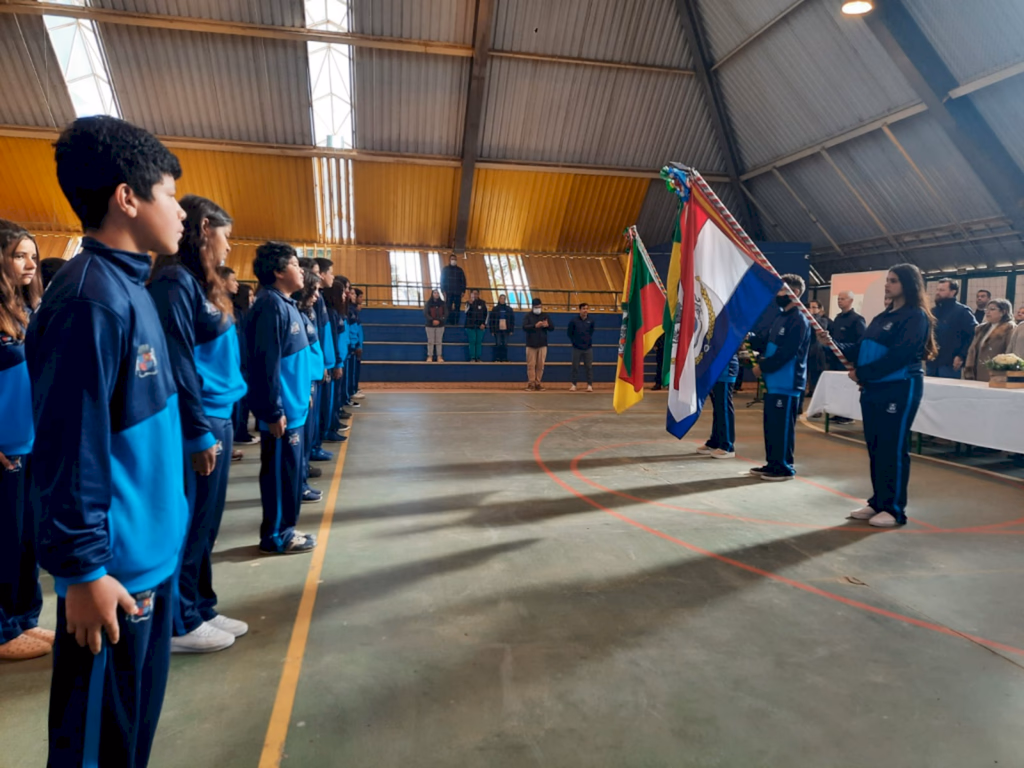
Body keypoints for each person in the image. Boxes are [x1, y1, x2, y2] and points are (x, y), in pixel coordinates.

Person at [28, 115, 188, 767]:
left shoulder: (130, 286)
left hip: (150, 564)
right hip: (114, 580)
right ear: (128, 197)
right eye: (170, 195)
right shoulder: (89, 300)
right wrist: (85, 570)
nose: (180, 212)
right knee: (96, 745)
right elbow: (71, 449)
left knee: (130, 740)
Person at [148, 195, 249, 654]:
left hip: (219, 414)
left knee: (206, 523)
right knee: (189, 523)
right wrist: (196, 430)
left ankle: (200, 605)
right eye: (226, 236)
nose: (229, 248)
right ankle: (177, 620)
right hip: (200, 416)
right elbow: (178, 361)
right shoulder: (173, 281)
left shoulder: (198, 282)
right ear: (205, 229)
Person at [821, 264, 937, 528]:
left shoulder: (915, 316)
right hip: (874, 388)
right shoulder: (882, 317)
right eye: (887, 280)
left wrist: (863, 374)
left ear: (908, 284)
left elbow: (900, 356)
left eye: (893, 281)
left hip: (898, 387)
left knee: (892, 447)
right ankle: (878, 501)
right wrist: (832, 344)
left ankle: (894, 508)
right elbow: (861, 348)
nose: (888, 285)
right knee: (875, 446)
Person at [246, 242, 317, 555]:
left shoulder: (286, 304)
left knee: (289, 477)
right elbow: (265, 364)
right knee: (278, 475)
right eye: (294, 264)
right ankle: (276, 535)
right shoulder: (269, 306)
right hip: (282, 415)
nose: (300, 270)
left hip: (295, 408)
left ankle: (286, 529)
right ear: (277, 271)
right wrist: (273, 410)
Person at [0, 227, 48, 661]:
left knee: (25, 537)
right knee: (3, 539)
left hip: (29, 441)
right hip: (4, 447)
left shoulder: (22, 308)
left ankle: (24, 618)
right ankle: (1, 629)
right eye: (19, 256)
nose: (30, 264)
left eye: (32, 256)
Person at [750, 274, 810, 482]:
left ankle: (783, 467)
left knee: (782, 426)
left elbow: (787, 353)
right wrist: (747, 336)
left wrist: (763, 366)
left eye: (783, 290)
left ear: (796, 293)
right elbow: (765, 341)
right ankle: (773, 462)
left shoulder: (799, 320)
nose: (778, 294)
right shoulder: (781, 316)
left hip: (787, 382)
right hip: (774, 382)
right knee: (772, 425)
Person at [295, 267, 326, 504]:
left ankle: (302, 480)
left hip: (309, 382)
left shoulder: (304, 315)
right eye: (314, 290)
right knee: (297, 445)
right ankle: (298, 483)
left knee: (306, 439)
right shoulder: (289, 313)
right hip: (299, 388)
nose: (317, 295)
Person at [928, 278, 977, 379]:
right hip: (932, 362)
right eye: (937, 290)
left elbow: (972, 334)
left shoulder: (962, 312)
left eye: (942, 290)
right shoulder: (933, 311)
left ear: (953, 292)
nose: (937, 293)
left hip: (950, 363)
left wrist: (961, 355)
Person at [697, 354, 740, 459]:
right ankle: (715, 441)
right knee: (718, 408)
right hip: (713, 368)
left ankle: (727, 445)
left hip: (725, 368)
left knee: (724, 407)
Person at [964, 299, 1016, 382]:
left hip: (996, 373)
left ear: (1004, 312)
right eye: (986, 309)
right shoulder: (981, 329)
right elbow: (973, 350)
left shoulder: (1009, 329)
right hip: (977, 371)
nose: (987, 312)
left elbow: (1009, 353)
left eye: (992, 309)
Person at [232, 283, 258, 445]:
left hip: (247, 364)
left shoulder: (246, 314)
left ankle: (242, 430)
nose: (252, 299)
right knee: (239, 403)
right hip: (239, 365)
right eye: (249, 296)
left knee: (245, 401)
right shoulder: (235, 315)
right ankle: (239, 433)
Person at [522, 297, 554, 391]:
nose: (538, 308)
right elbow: (524, 327)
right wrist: (534, 326)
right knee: (531, 365)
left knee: (541, 365)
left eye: (540, 307)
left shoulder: (545, 315)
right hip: (531, 344)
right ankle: (531, 383)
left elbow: (552, 328)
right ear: (532, 307)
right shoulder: (528, 316)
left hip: (542, 344)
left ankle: (538, 383)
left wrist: (547, 325)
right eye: (536, 307)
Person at [567, 302, 595, 392]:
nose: (585, 310)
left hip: (588, 348)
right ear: (580, 310)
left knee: (589, 367)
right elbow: (569, 333)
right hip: (577, 348)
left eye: (587, 308)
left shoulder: (591, 321)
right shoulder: (573, 321)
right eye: (583, 309)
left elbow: (591, 332)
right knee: (575, 367)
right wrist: (575, 342)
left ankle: (589, 385)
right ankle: (574, 385)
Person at [806, 299, 832, 396]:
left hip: (817, 350)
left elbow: (820, 328)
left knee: (816, 372)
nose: (811, 309)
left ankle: (815, 391)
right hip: (807, 349)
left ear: (820, 309)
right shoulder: (804, 319)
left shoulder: (823, 320)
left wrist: (813, 316)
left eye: (814, 307)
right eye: (809, 307)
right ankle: (809, 390)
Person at [440, 254, 466, 325]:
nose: (453, 260)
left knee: (457, 308)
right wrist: (443, 291)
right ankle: (448, 322)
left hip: (458, 292)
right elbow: (442, 281)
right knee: (448, 307)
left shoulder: (460, 270)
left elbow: (463, 281)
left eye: (455, 259)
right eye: (452, 259)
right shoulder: (445, 269)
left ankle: (456, 322)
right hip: (448, 292)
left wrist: (463, 291)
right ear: (449, 260)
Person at [488, 293, 515, 362]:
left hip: (506, 329)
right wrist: (492, 330)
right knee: (498, 343)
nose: (502, 300)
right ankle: (497, 358)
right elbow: (491, 320)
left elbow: (512, 320)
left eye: (503, 299)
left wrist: (511, 330)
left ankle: (504, 358)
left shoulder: (509, 309)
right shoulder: (495, 309)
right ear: (499, 299)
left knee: (505, 344)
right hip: (497, 329)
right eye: (501, 298)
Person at [464, 288, 488, 362]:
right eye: (473, 293)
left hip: (480, 326)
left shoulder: (483, 303)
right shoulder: (467, 303)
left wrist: (484, 324)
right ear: (471, 295)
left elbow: (486, 314)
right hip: (470, 326)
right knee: (472, 341)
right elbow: (466, 313)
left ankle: (478, 357)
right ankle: (472, 357)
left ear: (478, 294)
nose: (475, 295)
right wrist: (470, 305)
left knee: (478, 342)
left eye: (476, 293)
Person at [424, 288, 446, 362]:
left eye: (437, 293)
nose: (436, 294)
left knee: (439, 341)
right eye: (435, 293)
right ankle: (430, 356)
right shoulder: (428, 303)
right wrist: (432, 320)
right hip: (430, 325)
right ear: (432, 294)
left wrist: (439, 320)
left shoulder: (443, 303)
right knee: (430, 341)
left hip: (440, 325)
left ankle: (439, 356)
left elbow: (445, 314)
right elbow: (426, 313)